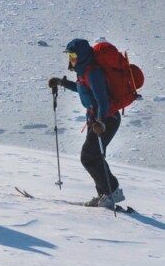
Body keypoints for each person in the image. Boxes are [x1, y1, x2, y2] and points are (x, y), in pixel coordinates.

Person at [48, 38, 125, 209]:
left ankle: (112, 192)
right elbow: (81, 88)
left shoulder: (93, 73)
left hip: (106, 120)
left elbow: (103, 100)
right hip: (97, 120)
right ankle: (106, 195)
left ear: (82, 55)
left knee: (88, 157)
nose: (71, 58)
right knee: (95, 156)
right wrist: (62, 83)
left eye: (73, 54)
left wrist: (100, 121)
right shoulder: (83, 71)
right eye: (69, 55)